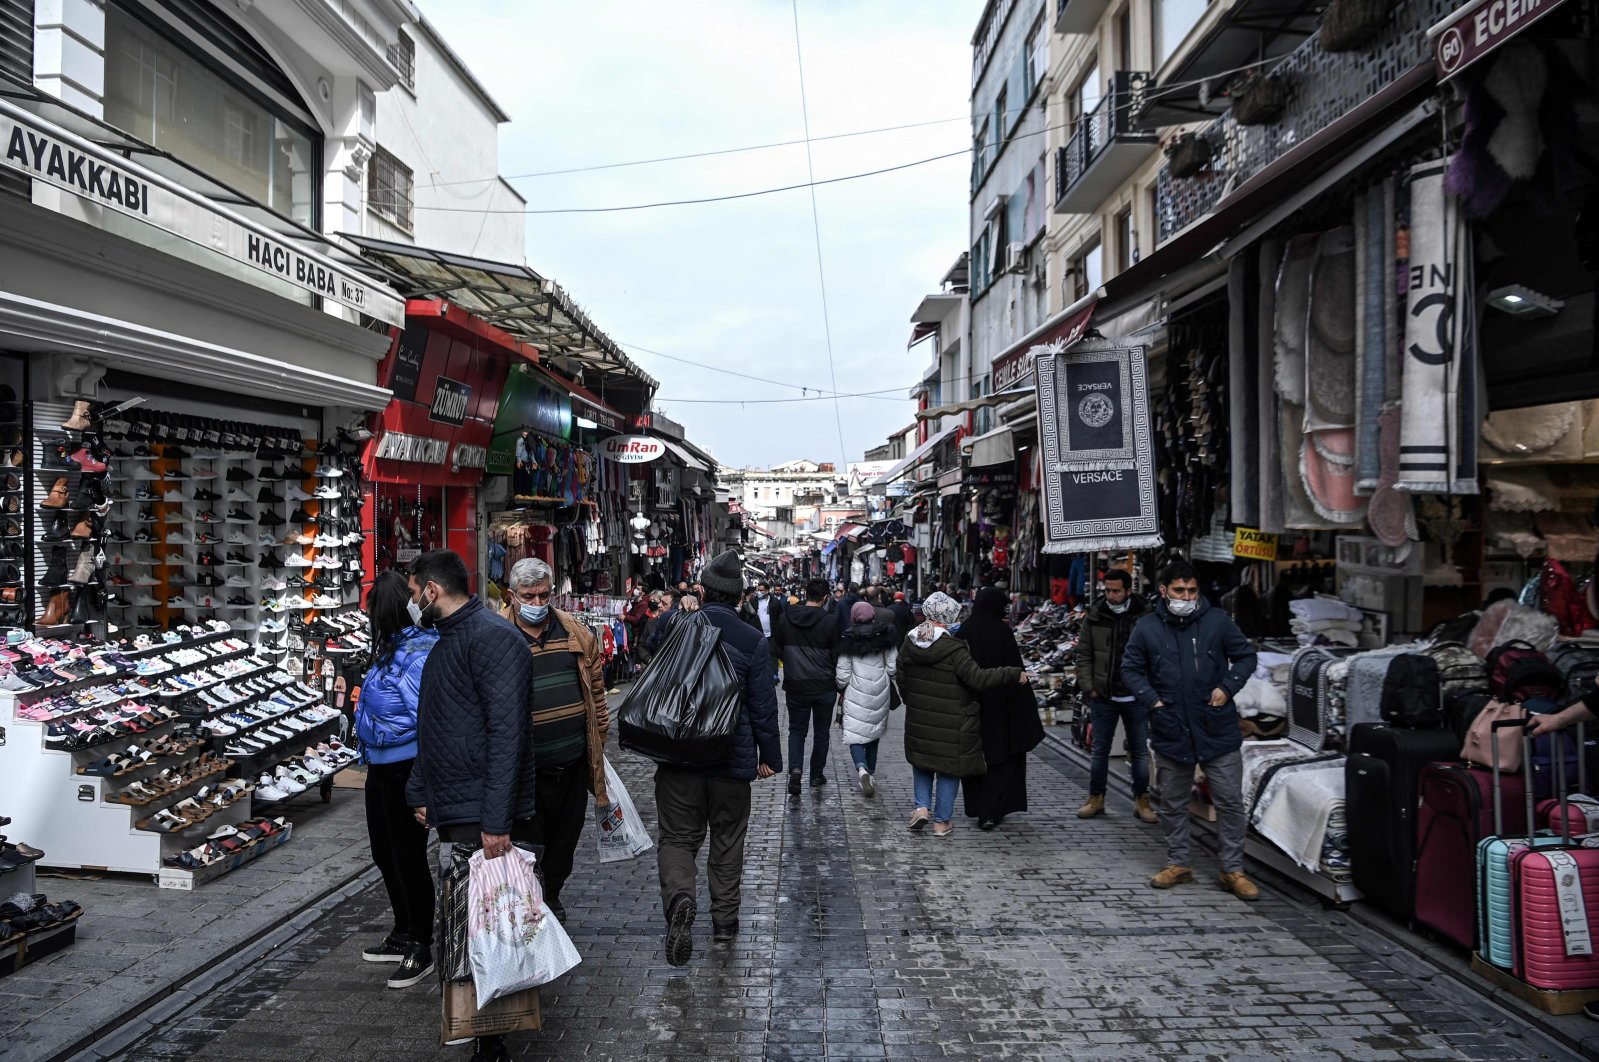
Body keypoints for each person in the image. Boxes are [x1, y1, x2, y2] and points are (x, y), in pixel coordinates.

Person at [403, 549, 535, 1062]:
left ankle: (492, 1036)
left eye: (415, 594)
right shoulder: (451, 641)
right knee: (464, 923)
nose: (414, 603)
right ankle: (480, 1027)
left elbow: (508, 736)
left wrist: (496, 821)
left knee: (487, 922)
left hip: (482, 812)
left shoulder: (492, 640)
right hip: (457, 804)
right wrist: (422, 792)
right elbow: (435, 726)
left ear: (432, 591)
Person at [654, 550, 781, 965]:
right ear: (740, 596)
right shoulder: (752, 639)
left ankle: (681, 902)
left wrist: (677, 609)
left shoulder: (679, 625)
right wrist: (771, 756)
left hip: (679, 758)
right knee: (727, 843)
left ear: (702, 590)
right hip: (731, 761)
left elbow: (647, 646)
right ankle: (724, 924)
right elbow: (763, 705)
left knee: (677, 839)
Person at [1121, 559, 1260, 901]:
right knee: (1172, 802)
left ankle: (1232, 869)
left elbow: (1245, 656)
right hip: (1172, 726)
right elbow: (1131, 669)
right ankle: (1178, 862)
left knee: (1229, 801)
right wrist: (1152, 701)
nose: (1186, 596)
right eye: (1180, 590)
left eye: (1192, 590)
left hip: (1216, 724)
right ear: (1164, 591)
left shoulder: (1217, 622)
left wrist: (1227, 687)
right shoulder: (1147, 627)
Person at [498, 558, 610, 923]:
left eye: (543, 594)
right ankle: (534, 901)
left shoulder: (576, 633)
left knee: (565, 841)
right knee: (529, 843)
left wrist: (597, 744)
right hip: (525, 771)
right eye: (528, 596)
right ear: (512, 596)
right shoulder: (497, 635)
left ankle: (553, 892)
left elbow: (596, 695)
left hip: (572, 765)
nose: (536, 602)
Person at [355, 571, 440, 989]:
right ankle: (403, 929)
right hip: (381, 765)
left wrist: (422, 781)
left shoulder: (417, 652)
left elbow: (426, 717)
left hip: (406, 767)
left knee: (408, 857)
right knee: (385, 852)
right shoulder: (389, 648)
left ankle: (422, 944)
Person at [896, 591, 1029, 837]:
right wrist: (1011, 673)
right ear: (947, 617)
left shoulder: (909, 643)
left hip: (919, 718)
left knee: (922, 763)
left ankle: (921, 808)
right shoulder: (954, 649)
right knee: (948, 767)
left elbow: (901, 680)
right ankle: (941, 822)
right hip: (952, 719)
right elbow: (977, 678)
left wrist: (912, 702)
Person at [957, 586, 1045, 831]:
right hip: (1003, 709)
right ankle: (994, 809)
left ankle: (980, 809)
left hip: (973, 709)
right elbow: (1017, 672)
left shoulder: (965, 631)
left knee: (976, 758)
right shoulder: (1002, 632)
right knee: (1000, 760)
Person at [1074, 569, 1157, 824]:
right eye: (1107, 590)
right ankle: (1095, 798)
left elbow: (1156, 655)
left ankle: (1142, 801)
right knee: (1099, 750)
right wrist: (1090, 687)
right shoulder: (1096, 615)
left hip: (1136, 696)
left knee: (1139, 751)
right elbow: (1084, 654)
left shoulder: (1146, 617)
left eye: (1116, 591)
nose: (1111, 595)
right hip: (1104, 696)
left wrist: (1149, 689)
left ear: (1128, 590)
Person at [772, 577, 840, 795]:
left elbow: (777, 647)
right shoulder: (830, 621)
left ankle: (795, 770)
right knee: (821, 732)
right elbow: (837, 654)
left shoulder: (786, 618)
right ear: (825, 598)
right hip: (824, 685)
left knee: (796, 731)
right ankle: (816, 774)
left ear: (806, 595)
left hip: (795, 684)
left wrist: (792, 663)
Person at [835, 600, 899, 797]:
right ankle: (870, 772)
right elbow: (892, 668)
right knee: (873, 732)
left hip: (856, 691)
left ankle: (861, 769)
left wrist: (840, 686)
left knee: (855, 733)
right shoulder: (885, 636)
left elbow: (843, 674)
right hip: (879, 690)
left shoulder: (848, 638)